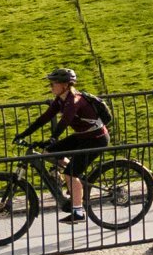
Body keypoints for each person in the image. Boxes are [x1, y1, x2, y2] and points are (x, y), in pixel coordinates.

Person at [13, 68, 112, 224]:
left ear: (65, 85)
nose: (51, 86)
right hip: (82, 136)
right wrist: (23, 134)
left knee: (70, 173)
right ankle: (75, 181)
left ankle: (78, 212)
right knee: (49, 152)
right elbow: (44, 118)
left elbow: (65, 121)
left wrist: (53, 137)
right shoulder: (60, 100)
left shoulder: (74, 100)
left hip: (96, 139)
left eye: (54, 83)